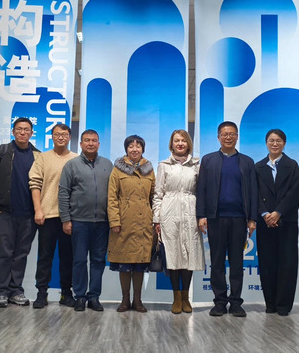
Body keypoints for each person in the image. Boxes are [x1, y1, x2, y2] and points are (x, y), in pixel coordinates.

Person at [196, 121, 258, 318]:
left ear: (237, 136)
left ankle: (236, 302)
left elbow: (253, 192)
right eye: (224, 134)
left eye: (232, 134)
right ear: (218, 137)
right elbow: (201, 189)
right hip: (216, 218)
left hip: (239, 219)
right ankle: (220, 302)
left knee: (237, 262)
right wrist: (201, 215)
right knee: (217, 262)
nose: (228, 137)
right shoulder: (208, 160)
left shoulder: (247, 162)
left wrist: (252, 219)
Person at [0, 117, 40, 308]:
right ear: (13, 132)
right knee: (5, 252)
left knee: (21, 254)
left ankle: (16, 291)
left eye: (26, 130)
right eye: (19, 129)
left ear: (32, 133)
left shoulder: (38, 156)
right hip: (4, 213)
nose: (23, 132)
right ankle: (1, 292)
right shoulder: (1, 152)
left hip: (29, 215)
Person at [58, 129, 113, 312]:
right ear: (81, 144)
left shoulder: (107, 164)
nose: (90, 143)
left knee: (98, 260)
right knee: (79, 260)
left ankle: (94, 297)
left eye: (94, 140)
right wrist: (66, 219)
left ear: (99, 144)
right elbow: (63, 193)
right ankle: (80, 297)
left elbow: (114, 193)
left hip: (102, 222)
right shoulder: (71, 165)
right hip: (79, 221)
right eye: (87, 140)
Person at [152, 129, 204, 314]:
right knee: (173, 256)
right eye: (176, 140)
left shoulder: (196, 165)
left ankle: (185, 297)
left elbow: (202, 192)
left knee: (189, 256)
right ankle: (175, 298)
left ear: (188, 143)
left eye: (183, 140)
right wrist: (157, 219)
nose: (180, 143)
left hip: (191, 212)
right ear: (171, 144)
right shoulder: (164, 165)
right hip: (169, 213)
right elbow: (158, 194)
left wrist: (202, 215)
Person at [29, 124, 78, 309]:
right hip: (47, 215)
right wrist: (38, 209)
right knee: (45, 257)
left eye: (64, 134)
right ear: (52, 136)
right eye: (57, 134)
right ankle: (41, 293)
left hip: (69, 217)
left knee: (68, 258)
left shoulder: (76, 159)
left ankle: (66, 293)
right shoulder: (43, 158)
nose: (60, 137)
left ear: (69, 137)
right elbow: (34, 183)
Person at [255, 129, 299, 316]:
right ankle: (270, 303)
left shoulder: (292, 165)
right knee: (267, 263)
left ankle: (283, 305)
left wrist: (278, 212)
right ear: (266, 143)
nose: (275, 144)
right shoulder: (258, 167)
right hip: (265, 222)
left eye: (279, 141)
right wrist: (265, 213)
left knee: (287, 263)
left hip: (287, 221)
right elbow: (254, 193)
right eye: (271, 140)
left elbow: (294, 192)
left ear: (284, 143)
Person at [107, 135, 156, 313]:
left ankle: (138, 300)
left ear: (143, 149)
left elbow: (154, 197)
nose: (134, 149)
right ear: (126, 149)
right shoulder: (117, 170)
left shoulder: (149, 170)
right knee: (124, 262)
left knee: (139, 263)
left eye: (138, 146)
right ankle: (125, 300)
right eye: (131, 146)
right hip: (124, 222)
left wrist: (155, 219)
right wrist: (114, 221)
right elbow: (112, 197)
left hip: (144, 223)